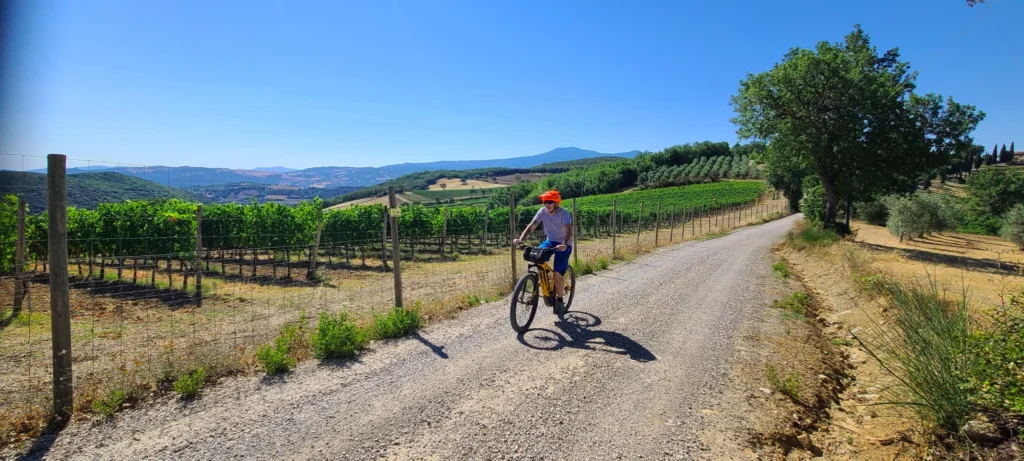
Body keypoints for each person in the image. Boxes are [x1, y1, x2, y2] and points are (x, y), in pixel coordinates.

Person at [512, 190, 573, 312]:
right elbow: (532, 226)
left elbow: (569, 230)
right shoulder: (542, 212)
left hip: (564, 244)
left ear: (556, 203)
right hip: (550, 241)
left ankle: (560, 300)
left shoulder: (563, 213)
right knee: (536, 256)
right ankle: (544, 282)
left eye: (550, 202)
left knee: (557, 273)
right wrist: (520, 239)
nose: (547, 204)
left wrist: (564, 244)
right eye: (545, 202)